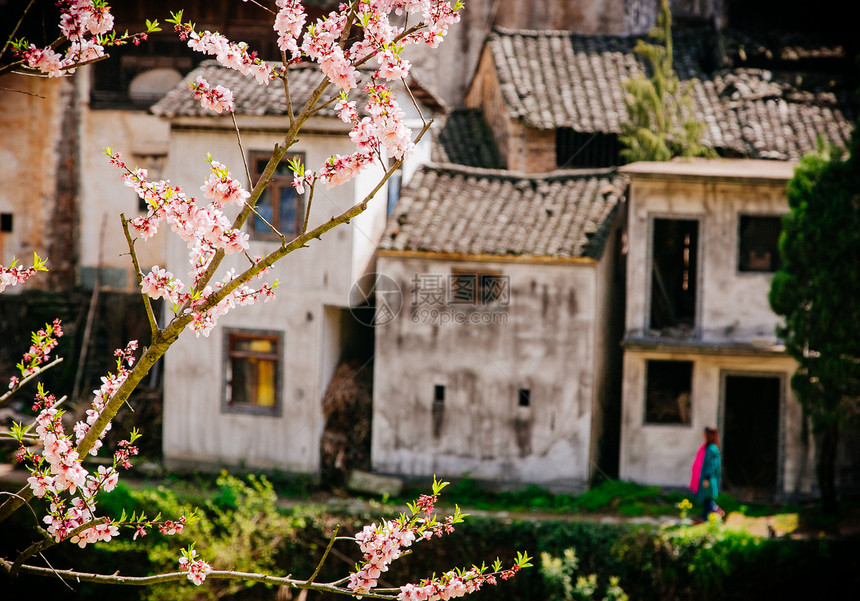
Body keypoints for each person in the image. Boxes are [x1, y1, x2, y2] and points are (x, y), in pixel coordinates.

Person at [690, 426, 724, 522]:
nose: (703, 435)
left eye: (705, 433)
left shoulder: (712, 449)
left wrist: (706, 478)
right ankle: (710, 514)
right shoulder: (708, 448)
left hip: (708, 479)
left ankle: (709, 515)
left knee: (707, 499)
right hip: (706, 478)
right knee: (706, 499)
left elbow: (712, 465)